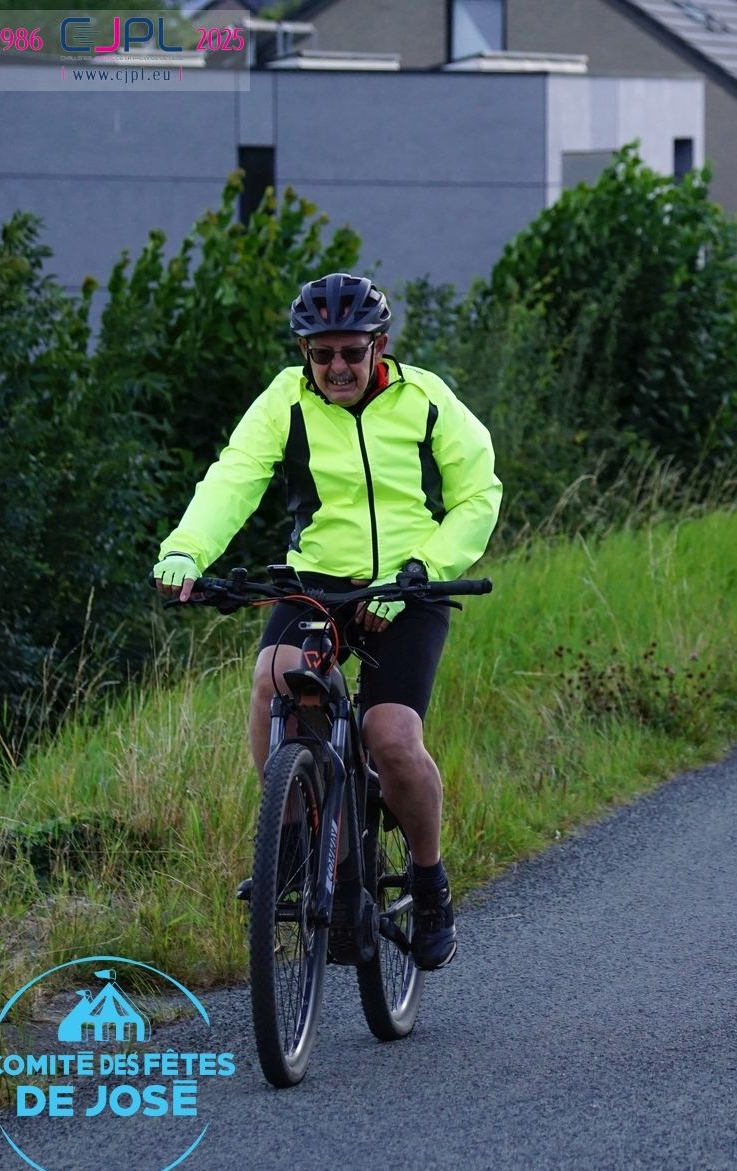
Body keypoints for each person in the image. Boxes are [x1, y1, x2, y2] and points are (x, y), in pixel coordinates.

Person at [151, 273, 503, 971]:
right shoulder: (286, 400)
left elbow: (477, 493)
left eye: (351, 352)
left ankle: (429, 885)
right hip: (316, 580)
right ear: (304, 354)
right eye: (321, 355)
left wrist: (423, 569)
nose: (336, 368)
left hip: (408, 583)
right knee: (275, 677)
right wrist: (187, 549)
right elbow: (235, 476)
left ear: (380, 345)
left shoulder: (425, 399)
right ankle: (292, 842)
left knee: (391, 736)